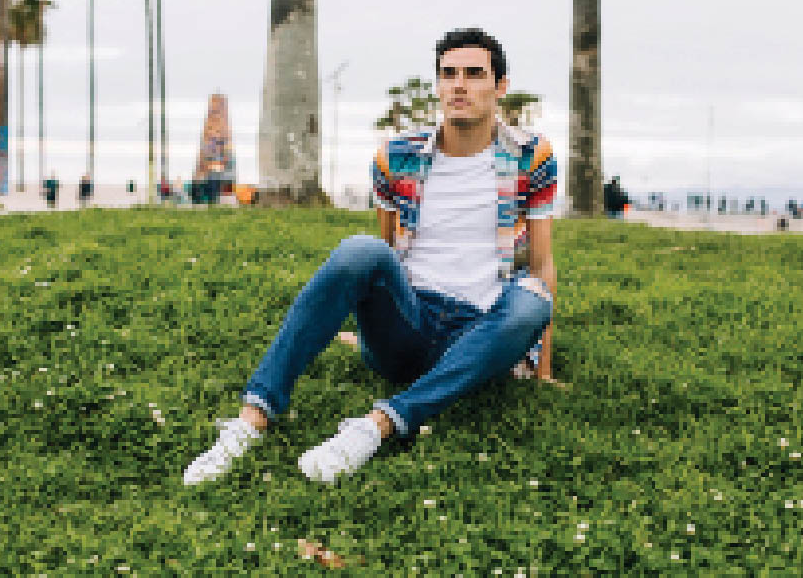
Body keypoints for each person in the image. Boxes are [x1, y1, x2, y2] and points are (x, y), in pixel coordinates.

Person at [184, 27, 558, 486]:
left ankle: (377, 426)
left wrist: (542, 369)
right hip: (409, 327)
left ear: (499, 86)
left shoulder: (530, 156)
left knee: (534, 298)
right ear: (438, 84)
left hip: (476, 334)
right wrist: (369, 331)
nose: (459, 85)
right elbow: (381, 261)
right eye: (449, 74)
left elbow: (541, 264)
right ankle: (251, 420)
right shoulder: (396, 156)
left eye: (474, 74)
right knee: (360, 248)